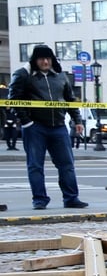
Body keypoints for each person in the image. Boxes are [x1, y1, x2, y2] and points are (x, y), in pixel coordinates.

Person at [9, 45, 87, 210]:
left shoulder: (61, 76)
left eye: (48, 58)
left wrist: (77, 120)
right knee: (36, 165)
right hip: (35, 126)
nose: (45, 61)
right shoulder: (23, 75)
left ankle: (71, 198)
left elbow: (70, 99)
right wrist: (26, 122)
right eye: (41, 58)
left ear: (52, 59)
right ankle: (40, 199)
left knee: (67, 164)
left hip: (58, 126)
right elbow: (13, 100)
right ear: (35, 60)